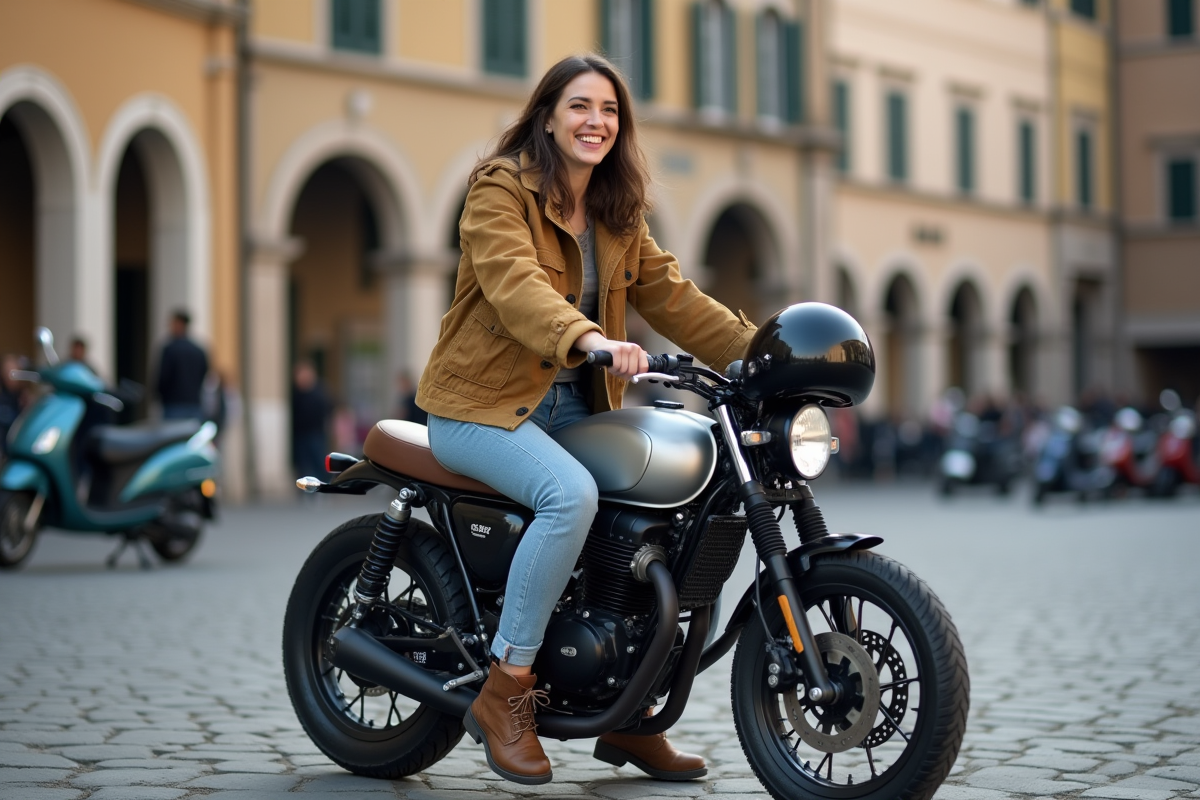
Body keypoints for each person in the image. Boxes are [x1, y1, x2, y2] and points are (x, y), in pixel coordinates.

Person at [415, 54, 756, 786]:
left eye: (608, 110)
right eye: (578, 106)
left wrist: (767, 353)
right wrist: (590, 338)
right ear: (546, 116)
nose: (594, 121)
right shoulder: (499, 189)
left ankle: (631, 715)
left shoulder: (616, 207)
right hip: (480, 406)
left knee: (674, 515)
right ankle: (506, 690)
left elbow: (674, 296)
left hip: (575, 412)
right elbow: (516, 285)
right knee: (570, 497)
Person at [156, 310, 209, 420]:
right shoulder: (199, 350)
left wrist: (158, 395)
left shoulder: (170, 349)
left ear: (179, 324)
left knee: (173, 436)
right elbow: (204, 373)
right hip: (194, 403)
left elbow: (163, 377)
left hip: (174, 404)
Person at [291, 360, 331, 481]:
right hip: (300, 433)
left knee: (318, 460)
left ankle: (322, 484)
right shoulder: (296, 394)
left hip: (315, 432)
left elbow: (326, 409)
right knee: (303, 462)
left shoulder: (319, 392)